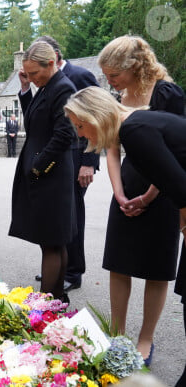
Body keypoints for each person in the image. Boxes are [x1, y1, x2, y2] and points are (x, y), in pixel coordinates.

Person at [63, 86, 186, 378]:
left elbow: (180, 187)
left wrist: (183, 226)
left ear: (95, 116)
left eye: (81, 126)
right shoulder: (130, 126)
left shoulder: (135, 129)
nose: (80, 135)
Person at [97, 35, 184, 364]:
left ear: (135, 67)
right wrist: (119, 192)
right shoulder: (120, 95)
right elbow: (112, 147)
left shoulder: (167, 93)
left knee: (156, 268)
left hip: (164, 189)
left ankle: (145, 339)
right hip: (127, 187)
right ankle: (116, 336)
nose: (110, 81)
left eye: (114, 75)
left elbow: (176, 152)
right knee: (118, 264)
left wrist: (148, 196)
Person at [9, 41, 77, 303]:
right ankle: (56, 300)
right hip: (44, 172)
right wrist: (26, 88)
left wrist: (38, 167)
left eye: (35, 73)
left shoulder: (63, 89)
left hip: (51, 174)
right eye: (29, 75)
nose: (33, 79)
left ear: (51, 64)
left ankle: (47, 303)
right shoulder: (48, 86)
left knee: (52, 241)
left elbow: (64, 135)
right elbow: (35, 119)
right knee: (52, 241)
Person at [33, 35, 101, 292]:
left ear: (53, 57)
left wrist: (89, 161)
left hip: (77, 158)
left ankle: (73, 271)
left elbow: (97, 119)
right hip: (57, 159)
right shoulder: (45, 81)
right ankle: (59, 269)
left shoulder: (80, 75)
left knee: (73, 216)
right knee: (59, 218)